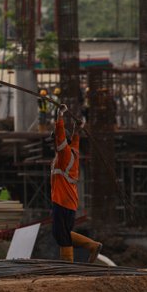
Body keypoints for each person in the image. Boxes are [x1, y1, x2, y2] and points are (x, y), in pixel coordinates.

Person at [50, 103, 101, 263]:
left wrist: (60, 116)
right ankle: (92, 245)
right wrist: (78, 128)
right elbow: (76, 137)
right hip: (69, 201)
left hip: (62, 200)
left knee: (60, 234)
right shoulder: (74, 151)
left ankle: (67, 264)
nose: (54, 143)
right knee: (63, 232)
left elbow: (60, 135)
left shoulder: (64, 154)